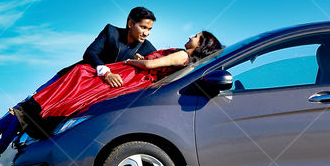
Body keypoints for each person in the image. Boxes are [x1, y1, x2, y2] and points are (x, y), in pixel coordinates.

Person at [0, 6, 158, 164]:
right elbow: (91, 53)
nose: (146, 33)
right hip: (70, 79)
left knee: (34, 109)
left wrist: (140, 62)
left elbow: (157, 64)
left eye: (149, 29)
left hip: (85, 92)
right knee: (32, 102)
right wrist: (105, 72)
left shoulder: (146, 49)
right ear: (130, 23)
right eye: (142, 27)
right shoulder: (111, 32)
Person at [11, 31, 223, 139]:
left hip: (132, 75)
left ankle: (34, 111)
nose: (191, 36)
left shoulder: (181, 55)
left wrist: (131, 61)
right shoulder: (181, 55)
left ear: (201, 45)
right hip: (135, 77)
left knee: (81, 74)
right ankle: (37, 115)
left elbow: (150, 64)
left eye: (196, 36)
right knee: (84, 89)